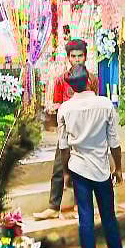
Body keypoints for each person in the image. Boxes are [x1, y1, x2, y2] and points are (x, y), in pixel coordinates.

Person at [58, 64, 125, 248]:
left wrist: (66, 173)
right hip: (101, 170)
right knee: (108, 216)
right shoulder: (105, 105)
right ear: (89, 81)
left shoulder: (65, 109)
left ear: (71, 86)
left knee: (85, 218)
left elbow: (63, 147)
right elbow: (114, 142)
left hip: (78, 169)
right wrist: (119, 168)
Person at [33, 39, 98, 221]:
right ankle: (53, 207)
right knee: (59, 169)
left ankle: (80, 206)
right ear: (68, 58)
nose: (77, 59)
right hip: (66, 132)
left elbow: (95, 104)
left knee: (83, 169)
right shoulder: (60, 80)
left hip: (86, 132)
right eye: (73, 56)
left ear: (85, 57)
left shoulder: (93, 80)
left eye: (80, 56)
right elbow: (57, 107)